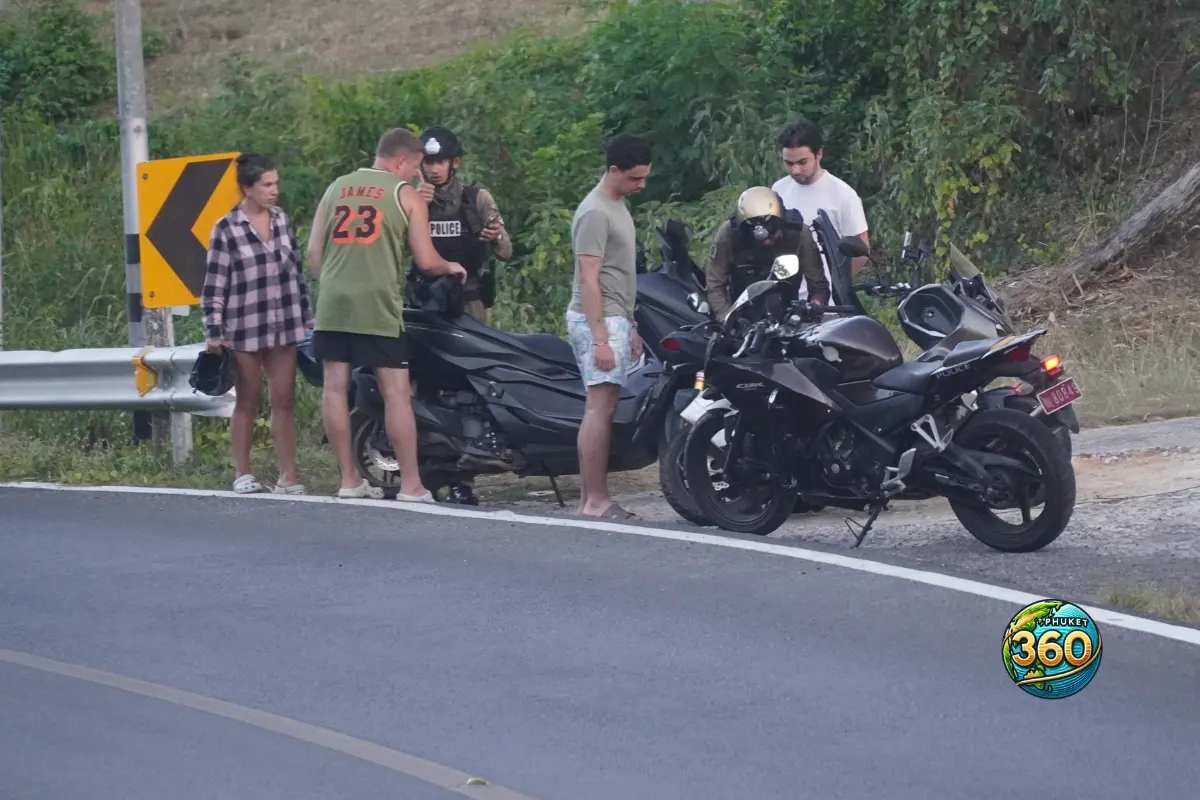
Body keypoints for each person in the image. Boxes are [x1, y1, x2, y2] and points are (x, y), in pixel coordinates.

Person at [305, 127, 467, 501]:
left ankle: (349, 480)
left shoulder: (336, 188)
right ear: (400, 160)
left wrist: (333, 282)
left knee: (334, 387)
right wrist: (451, 266)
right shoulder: (405, 194)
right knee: (396, 392)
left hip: (333, 300)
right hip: (377, 303)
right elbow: (426, 261)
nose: (417, 175)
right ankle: (411, 485)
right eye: (415, 167)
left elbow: (314, 254)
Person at [409, 125, 513, 506]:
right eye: (427, 161)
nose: (433, 169)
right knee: (427, 390)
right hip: (426, 307)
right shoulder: (410, 198)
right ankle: (425, 472)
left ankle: (464, 479)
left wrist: (494, 236)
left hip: (469, 308)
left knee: (469, 389)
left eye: (439, 161)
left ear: (454, 162)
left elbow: (506, 251)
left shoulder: (475, 198)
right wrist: (416, 206)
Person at [202, 153, 313, 496]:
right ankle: (243, 472)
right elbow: (214, 284)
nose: (273, 190)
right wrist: (214, 331)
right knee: (247, 398)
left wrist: (308, 316)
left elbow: (296, 271)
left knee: (285, 399)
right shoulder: (226, 228)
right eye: (266, 185)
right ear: (247, 188)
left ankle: (289, 475)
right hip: (245, 324)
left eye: (276, 183)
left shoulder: (281, 220)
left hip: (285, 321)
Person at [565, 132, 652, 521]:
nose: (641, 185)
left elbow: (619, 272)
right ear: (613, 170)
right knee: (599, 407)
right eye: (634, 178)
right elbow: (589, 277)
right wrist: (601, 338)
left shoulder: (617, 204)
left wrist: (630, 325)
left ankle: (590, 500)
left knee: (604, 404)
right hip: (596, 318)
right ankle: (596, 499)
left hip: (617, 316)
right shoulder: (595, 212)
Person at [704, 186, 831, 321]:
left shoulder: (799, 234)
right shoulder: (728, 235)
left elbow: (818, 286)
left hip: (789, 316)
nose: (767, 243)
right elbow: (715, 285)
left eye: (772, 236)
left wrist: (813, 307)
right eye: (760, 240)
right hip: (741, 316)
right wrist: (727, 317)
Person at [771, 117, 870, 278]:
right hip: (785, 295)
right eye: (789, 163)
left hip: (826, 299)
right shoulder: (778, 190)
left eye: (802, 162)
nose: (795, 170)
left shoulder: (843, 194)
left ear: (819, 154)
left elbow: (862, 250)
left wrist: (836, 285)